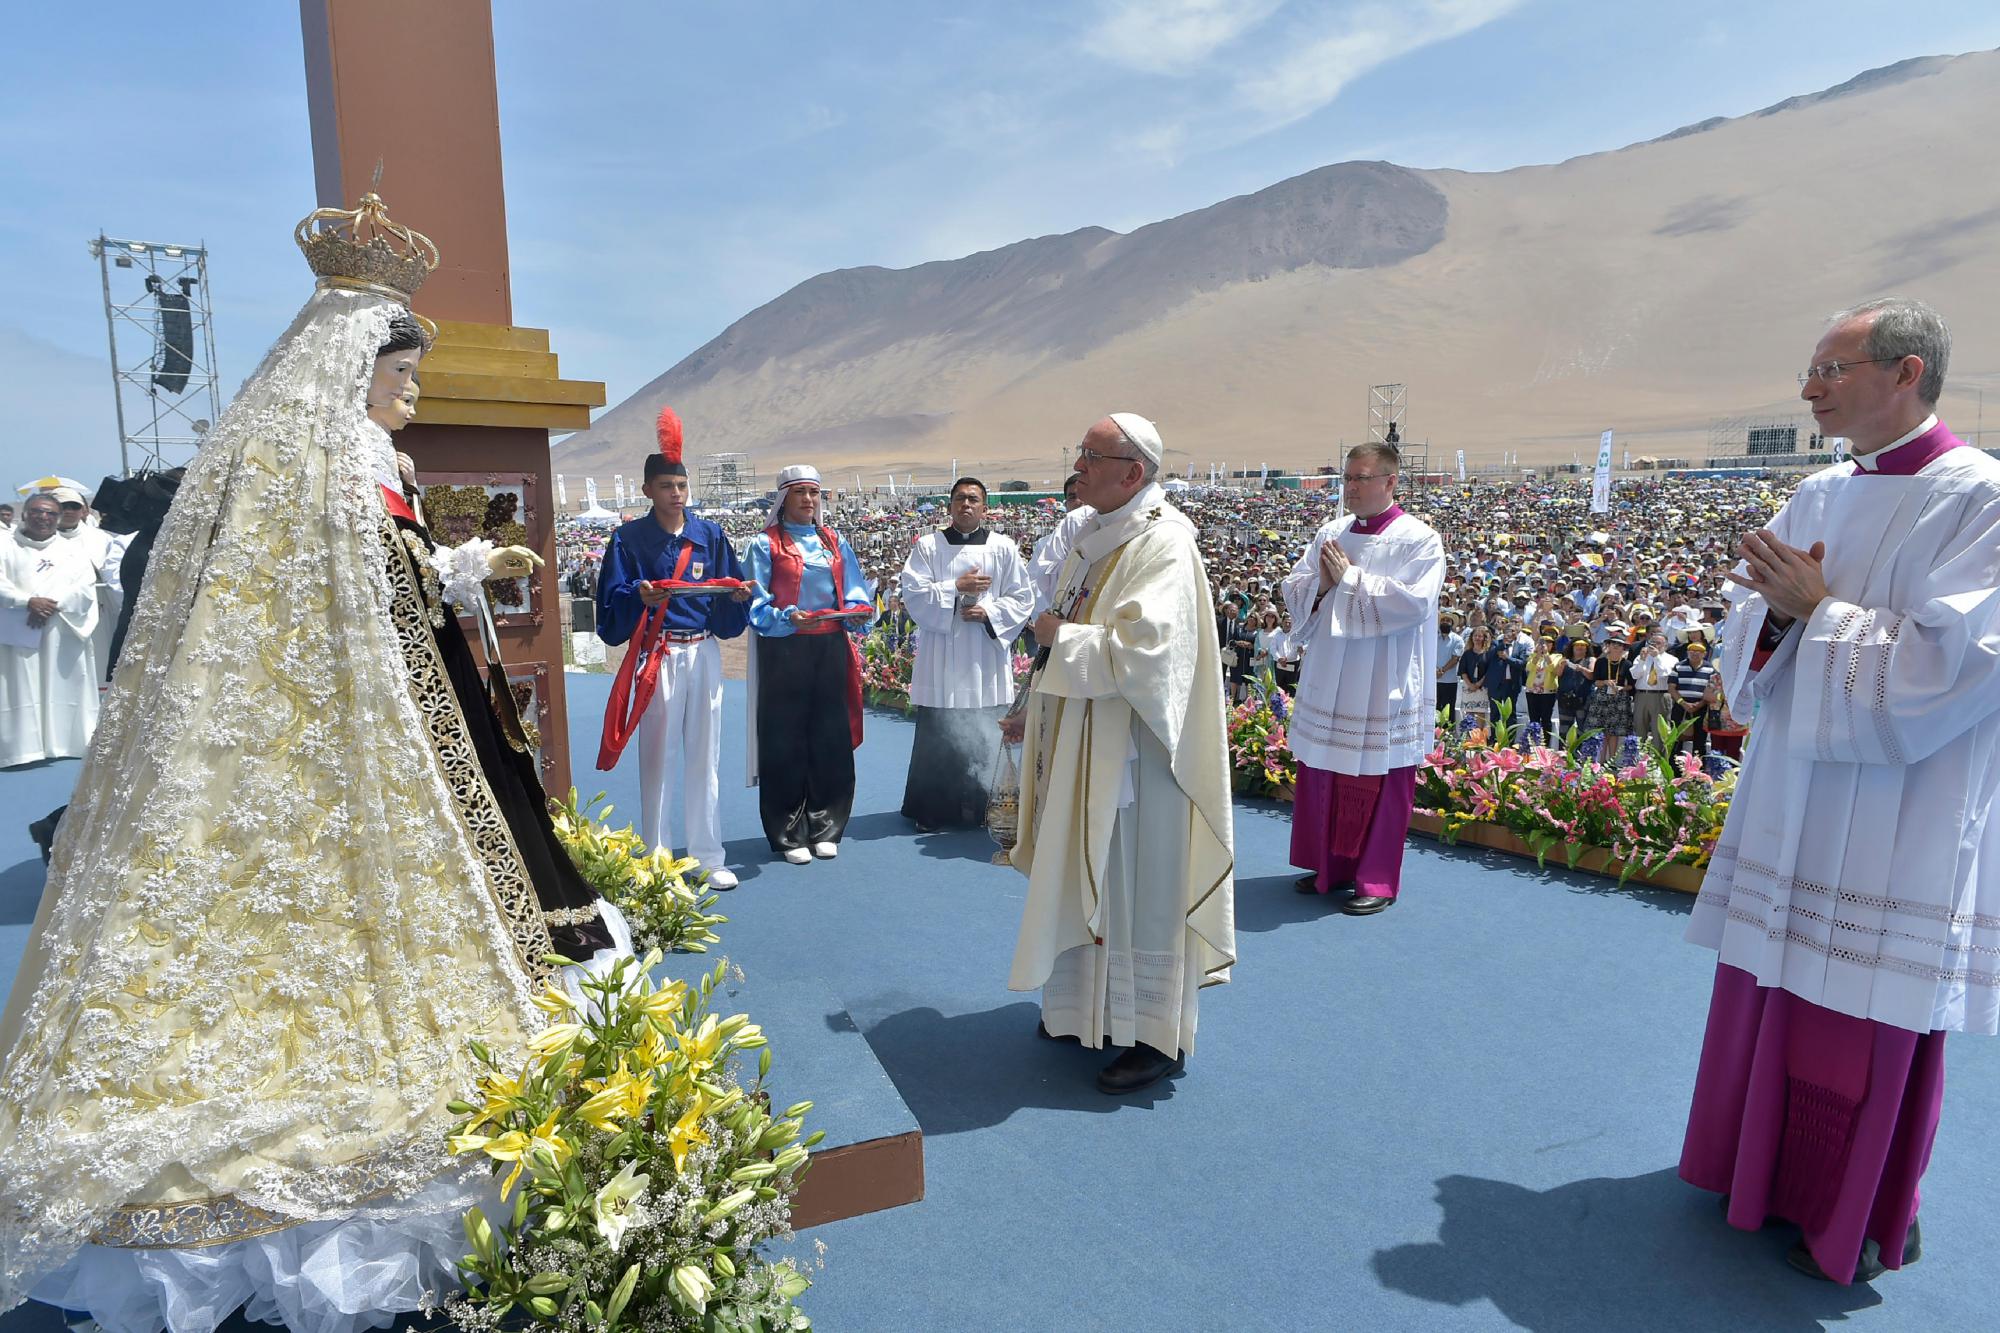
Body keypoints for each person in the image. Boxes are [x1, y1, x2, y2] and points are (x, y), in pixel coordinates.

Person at [0, 195, 565, 1331]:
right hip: (308, 727)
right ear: (350, 365)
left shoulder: (366, 457)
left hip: (391, 709)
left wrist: (460, 569)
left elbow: (389, 585)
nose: (410, 392)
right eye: (397, 373)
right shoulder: (303, 460)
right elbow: (314, 601)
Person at [1682, 296, 2000, 1284]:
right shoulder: (1814, 496)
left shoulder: (1980, 499)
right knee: (1775, 973)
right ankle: (1754, 1172)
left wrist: (1818, 614)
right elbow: (1742, 630)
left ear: (1906, 374)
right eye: (1809, 369)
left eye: (1831, 367)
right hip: (1795, 794)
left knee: (1857, 1009)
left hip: (1902, 814)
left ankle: (1855, 1205)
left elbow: (1954, 667)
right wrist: (1775, 624)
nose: (1808, 387)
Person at [1005, 412, 1235, 1094]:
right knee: (1090, 871)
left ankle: (1153, 1033)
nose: (1078, 466)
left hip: (1138, 757)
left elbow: (1144, 655)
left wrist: (1058, 636)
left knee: (1140, 885)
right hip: (1084, 742)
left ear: (1132, 473)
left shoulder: (1163, 543)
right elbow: (1065, 623)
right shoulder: (1091, 536)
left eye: (1090, 456)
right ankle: (1086, 1010)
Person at [1282, 442, 1444, 915]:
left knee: (1382, 776)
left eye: (1361, 478)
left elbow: (1414, 604)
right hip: (1331, 670)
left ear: (1390, 483)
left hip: (1382, 680)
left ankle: (1375, 880)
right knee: (1324, 769)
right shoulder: (1331, 532)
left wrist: (1349, 580)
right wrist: (1323, 584)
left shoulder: (1419, 539)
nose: (1351, 488)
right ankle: (1330, 869)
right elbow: (1296, 585)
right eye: (1348, 479)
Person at [595, 406, 752, 888]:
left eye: (681, 487)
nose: (676, 495)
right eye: (666, 487)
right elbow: (610, 605)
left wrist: (738, 596)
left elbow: (728, 596)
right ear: (648, 491)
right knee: (658, 756)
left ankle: (708, 856)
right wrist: (637, 597)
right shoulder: (627, 539)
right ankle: (658, 860)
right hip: (658, 654)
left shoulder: (710, 535)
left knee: (706, 756)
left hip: (703, 652)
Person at [743, 466, 874, 864]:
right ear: (783, 498)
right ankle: (787, 832)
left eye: (814, 493)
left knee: (829, 737)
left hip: (830, 647)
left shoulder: (834, 542)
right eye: (799, 493)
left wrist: (856, 613)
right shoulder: (764, 545)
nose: (808, 500)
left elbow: (855, 590)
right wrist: (786, 618)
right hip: (785, 650)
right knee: (784, 740)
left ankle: (827, 824)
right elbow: (755, 602)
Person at [896, 476, 1035, 831]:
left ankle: (982, 806)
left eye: (974, 499)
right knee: (939, 731)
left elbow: (1023, 598)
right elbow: (912, 594)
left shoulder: (1003, 548)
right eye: (960, 499)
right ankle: (933, 809)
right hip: (942, 652)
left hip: (984, 655)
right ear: (950, 506)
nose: (966, 505)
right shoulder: (928, 547)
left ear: (985, 507)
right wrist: (954, 589)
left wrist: (990, 613)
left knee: (984, 725)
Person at [0, 494, 100, 767]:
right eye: (36, 512)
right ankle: (22, 748)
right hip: (18, 629)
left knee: (63, 685)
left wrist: (50, 605)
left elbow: (84, 587)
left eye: (49, 513)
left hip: (61, 629)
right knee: (19, 686)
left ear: (57, 518)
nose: (43, 517)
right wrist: (26, 602)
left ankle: (66, 743)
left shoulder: (73, 551)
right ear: (25, 514)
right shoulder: (4, 546)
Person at [1027, 472, 1090, 614]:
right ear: (1066, 504)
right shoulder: (1044, 545)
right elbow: (1032, 584)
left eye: (1084, 494)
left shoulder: (1108, 538)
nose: (1079, 501)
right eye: (1073, 497)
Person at [1583, 635, 1634, 750]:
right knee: (1600, 731)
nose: (1616, 646)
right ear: (1608, 646)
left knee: (1614, 732)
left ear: (1623, 648)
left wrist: (1621, 688)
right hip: (1601, 697)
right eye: (1613, 643)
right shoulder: (1601, 662)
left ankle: (1612, 762)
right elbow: (1595, 682)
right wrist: (1606, 682)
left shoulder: (1627, 664)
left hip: (1619, 699)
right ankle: (1600, 761)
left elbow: (1631, 686)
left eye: (1619, 644)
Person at [1668, 636, 1717, 754]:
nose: (1695, 653)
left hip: (1701, 708)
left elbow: (1712, 689)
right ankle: (1674, 770)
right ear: (1687, 652)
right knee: (1676, 740)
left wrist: (1700, 704)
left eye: (1698, 651)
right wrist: (1683, 703)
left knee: (1700, 741)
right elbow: (1671, 688)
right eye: (1692, 651)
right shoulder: (1678, 666)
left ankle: (1697, 771)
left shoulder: (1710, 669)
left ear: (1704, 654)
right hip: (1680, 707)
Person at [1630, 630, 1678, 747]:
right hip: (1642, 695)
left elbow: (1664, 673)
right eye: (1652, 642)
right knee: (1639, 728)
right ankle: (1638, 760)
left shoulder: (1672, 659)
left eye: (1658, 643)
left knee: (1660, 731)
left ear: (1665, 646)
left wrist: (1656, 657)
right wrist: (1642, 660)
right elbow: (1635, 675)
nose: (1654, 645)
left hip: (1660, 695)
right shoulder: (1641, 657)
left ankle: (1659, 761)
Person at [1455, 624, 1497, 727]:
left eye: (1480, 636)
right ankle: (1469, 738)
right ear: (1472, 637)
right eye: (1475, 636)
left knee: (1480, 714)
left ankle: (1479, 739)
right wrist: (1470, 685)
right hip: (1468, 687)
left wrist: (1478, 684)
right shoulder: (1467, 653)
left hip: (1482, 688)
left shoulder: (1488, 653)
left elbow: (1489, 671)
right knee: (1469, 714)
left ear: (1484, 638)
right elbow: (1462, 671)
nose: (1477, 638)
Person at [1436, 612, 1465, 716]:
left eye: (1448, 621)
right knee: (1435, 708)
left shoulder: (1458, 640)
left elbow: (1455, 659)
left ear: (1452, 623)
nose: (1445, 622)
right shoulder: (1434, 638)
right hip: (1434, 680)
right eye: (1443, 620)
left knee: (1448, 708)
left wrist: (1442, 671)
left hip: (1449, 680)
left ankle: (1447, 732)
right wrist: (1435, 671)